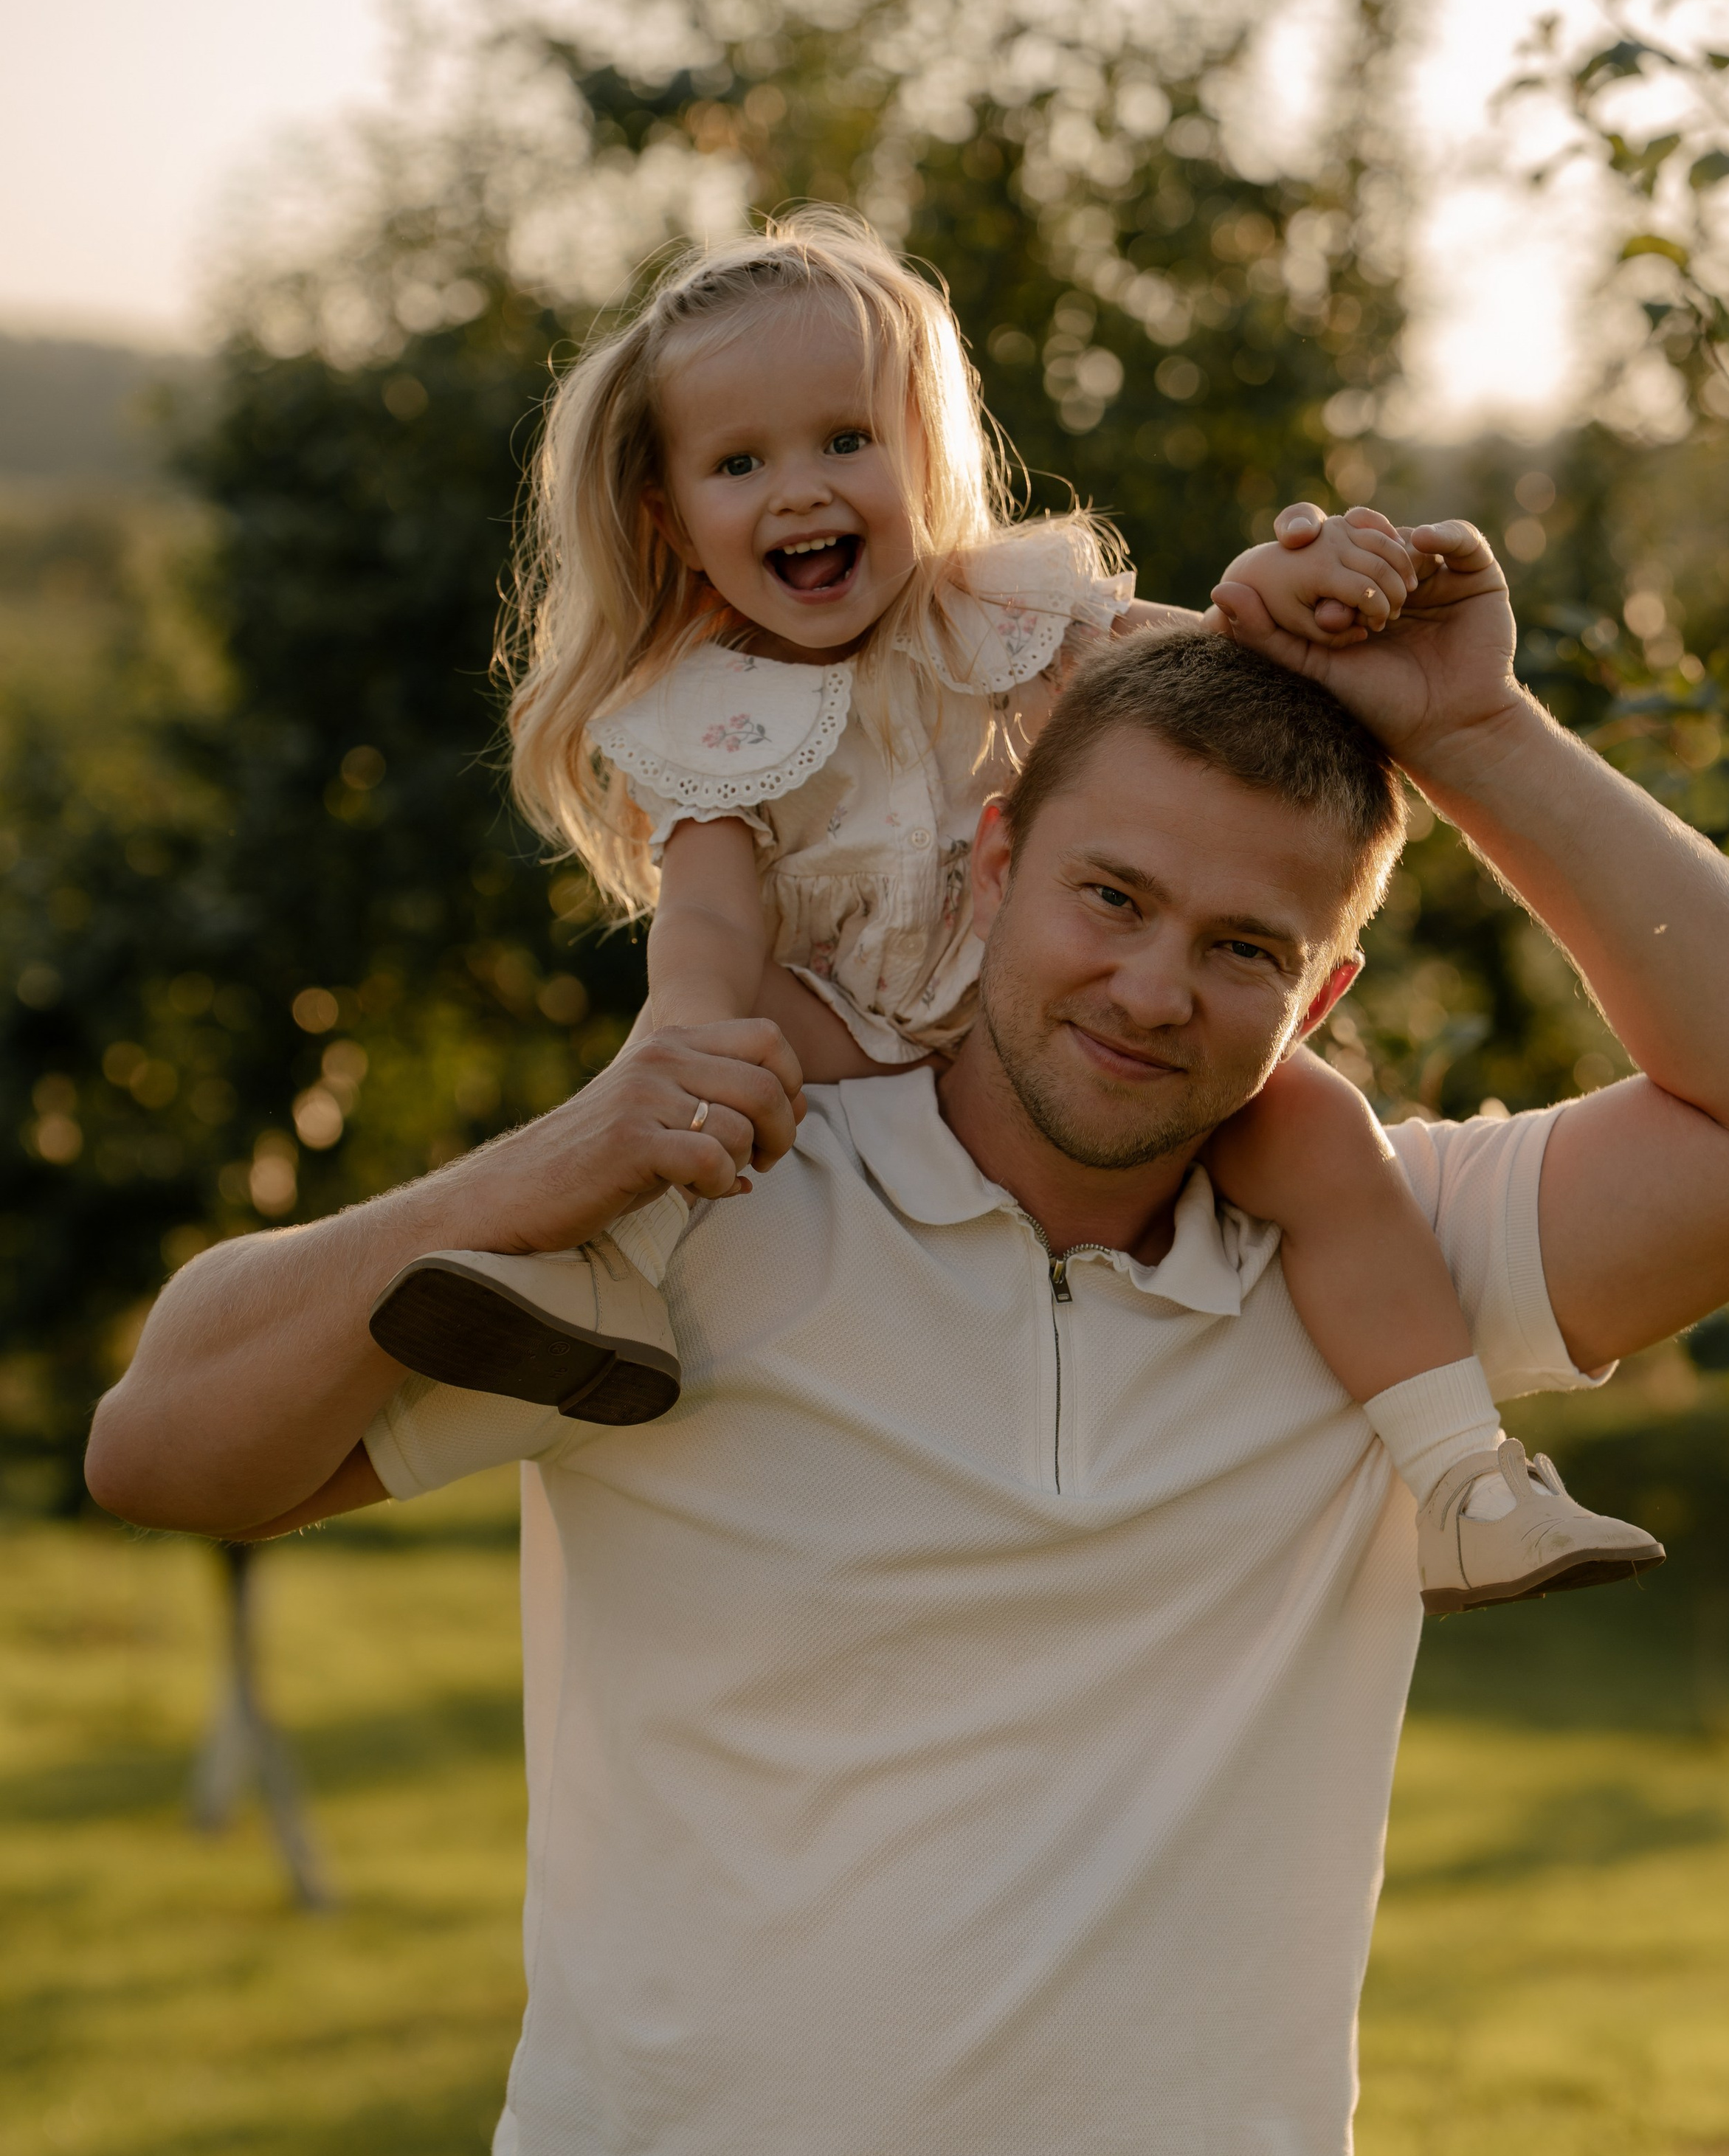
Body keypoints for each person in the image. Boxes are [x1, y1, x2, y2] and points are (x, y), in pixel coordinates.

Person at [87, 525, 1729, 2156]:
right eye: (1110, 897)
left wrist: (1473, 725)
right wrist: (577, 1152)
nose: (1151, 988)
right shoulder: (702, 1223)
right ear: (989, 856)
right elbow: (168, 1446)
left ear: (1328, 990)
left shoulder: (1393, 1266)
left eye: (1244, 947)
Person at [367, 210, 1657, 1614]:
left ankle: (1464, 1476)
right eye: (741, 463)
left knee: (1317, 1130)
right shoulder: (706, 720)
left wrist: (1290, 598)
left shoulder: (1005, 620)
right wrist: (684, 1036)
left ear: (921, 454)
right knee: (733, 1040)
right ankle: (605, 1280)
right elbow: (712, 925)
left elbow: (1210, 669)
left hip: (1039, 1028)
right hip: (851, 1045)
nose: (801, 490)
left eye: (845, 442)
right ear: (671, 516)